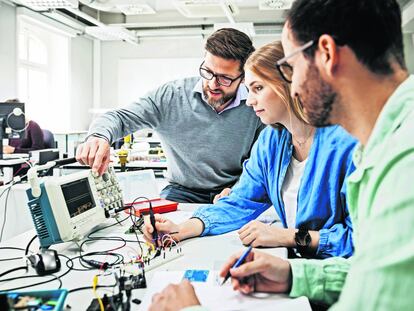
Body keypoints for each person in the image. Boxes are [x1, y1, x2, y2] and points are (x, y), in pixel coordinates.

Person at [148, 0, 414, 310]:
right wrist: (293, 275)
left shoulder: (401, 158)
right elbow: (371, 273)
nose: (294, 82)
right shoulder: (384, 140)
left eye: (290, 67)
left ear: (327, 54)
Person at [144, 41, 357, 260]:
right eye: (249, 89)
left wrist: (288, 237)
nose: (250, 101)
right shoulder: (272, 141)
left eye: (258, 88)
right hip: (297, 266)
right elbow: (240, 203)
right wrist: (180, 230)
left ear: (290, 83)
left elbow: (358, 240)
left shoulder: (347, 144)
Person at [76, 28, 264, 204]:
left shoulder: (256, 106)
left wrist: (240, 189)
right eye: (207, 72)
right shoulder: (171, 96)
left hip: (234, 190)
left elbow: (262, 162)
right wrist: (98, 136)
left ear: (243, 77)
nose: (213, 84)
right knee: (157, 233)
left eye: (225, 78)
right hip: (180, 191)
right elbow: (120, 117)